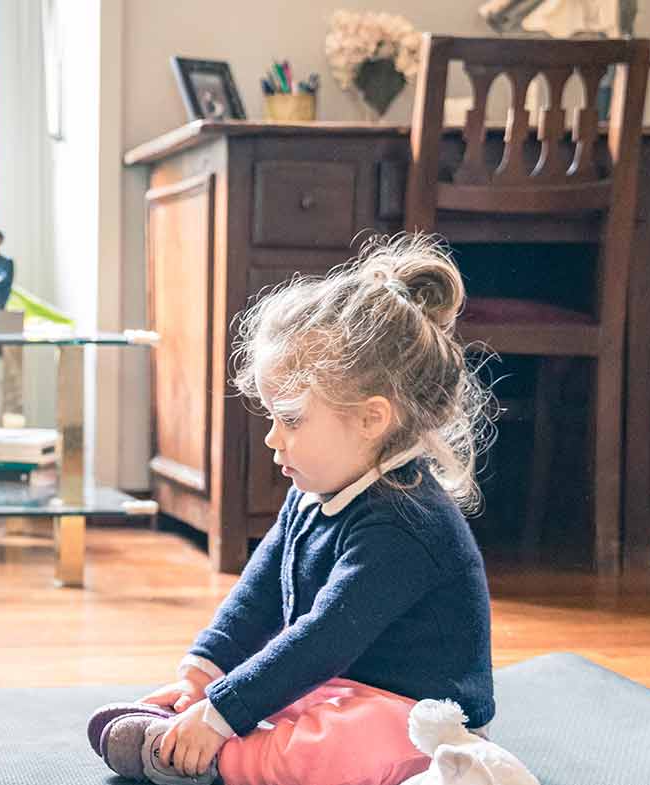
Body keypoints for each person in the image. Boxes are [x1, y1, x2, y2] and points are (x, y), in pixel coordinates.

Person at [90, 235, 497, 785]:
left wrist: (217, 720)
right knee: (276, 698)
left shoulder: (407, 526)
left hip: (418, 715)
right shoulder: (314, 493)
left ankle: (215, 761)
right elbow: (257, 594)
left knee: (337, 747)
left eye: (292, 419)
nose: (272, 439)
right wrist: (202, 678)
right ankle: (194, 732)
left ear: (371, 418)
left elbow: (324, 637)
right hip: (338, 683)